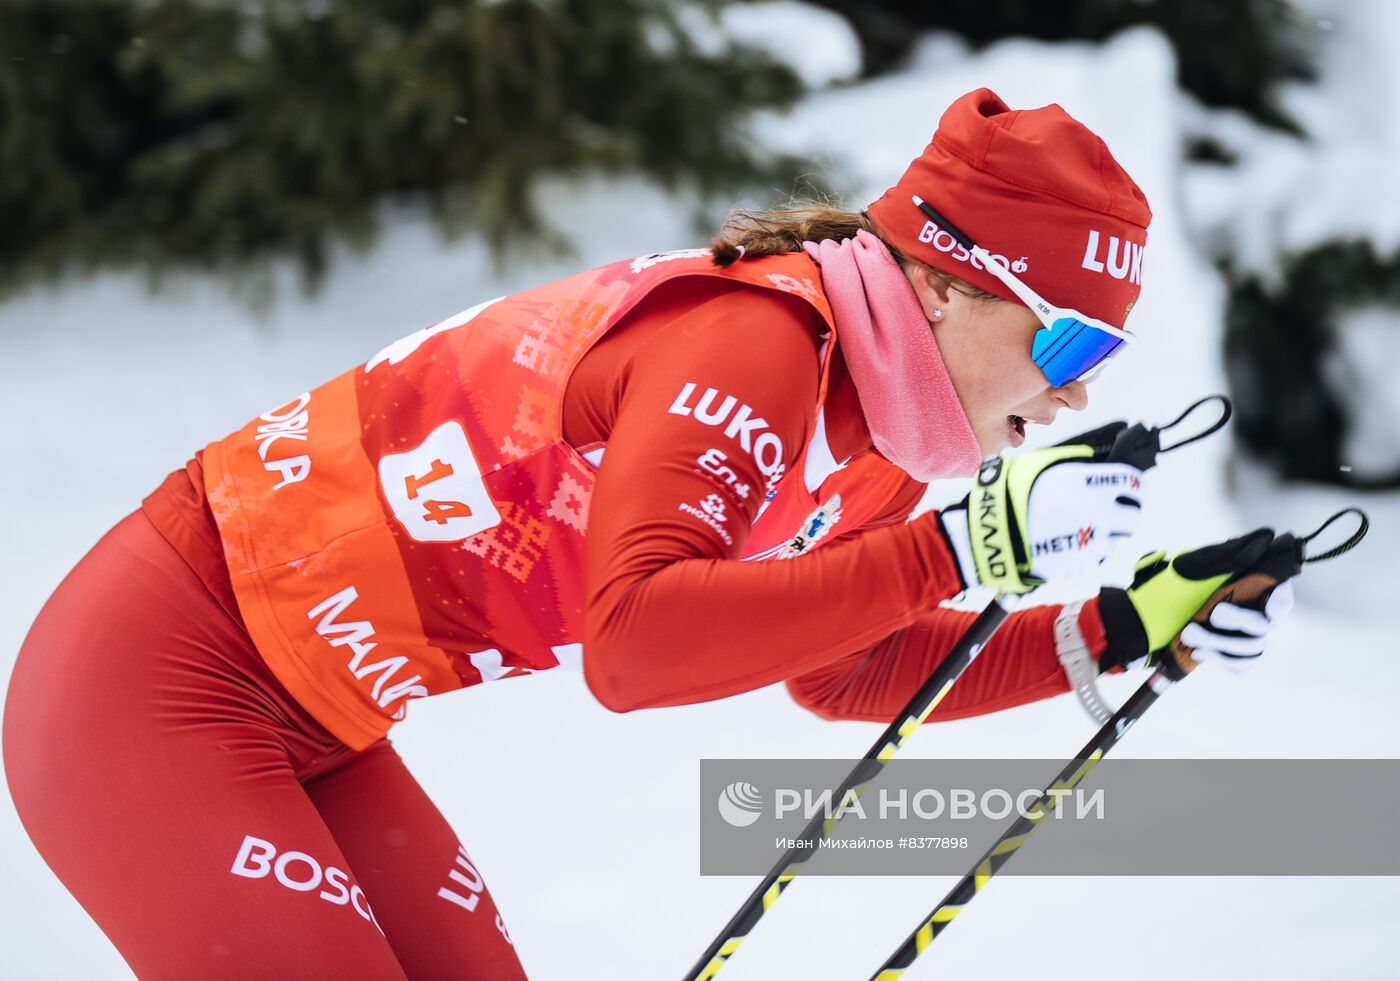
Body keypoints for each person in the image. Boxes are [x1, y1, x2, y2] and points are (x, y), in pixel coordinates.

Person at [3, 88, 1297, 980]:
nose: (1074, 395)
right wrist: (961, 552)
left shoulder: (876, 436)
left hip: (326, 718)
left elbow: (840, 662)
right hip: (155, 681)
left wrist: (1122, 624)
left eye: (1105, 357)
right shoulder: (756, 345)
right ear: (948, 284)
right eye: (1067, 341)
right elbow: (632, 645)